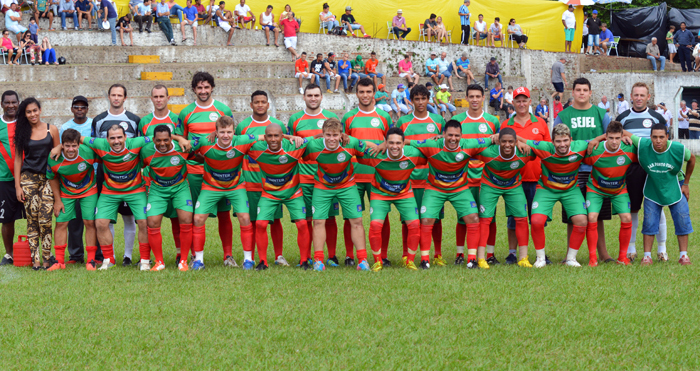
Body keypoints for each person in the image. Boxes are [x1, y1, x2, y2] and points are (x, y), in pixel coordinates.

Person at [175, 72, 238, 269]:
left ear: (212, 88)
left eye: (206, 87)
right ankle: (195, 255)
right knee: (195, 215)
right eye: (199, 88)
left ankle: (228, 255)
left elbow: (233, 138)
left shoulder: (223, 110)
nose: (203, 91)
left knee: (224, 214)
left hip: (221, 172)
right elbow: (181, 140)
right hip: (195, 171)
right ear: (194, 89)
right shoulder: (186, 113)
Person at [411, 120, 491, 268]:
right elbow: (407, 141)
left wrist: (500, 137)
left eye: (457, 135)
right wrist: (386, 143)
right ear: (443, 135)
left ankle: (472, 259)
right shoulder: (431, 145)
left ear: (461, 136)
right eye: (450, 135)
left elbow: (492, 139)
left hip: (460, 189)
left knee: (473, 217)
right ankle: (425, 260)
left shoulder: (469, 145)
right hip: (435, 189)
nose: (453, 138)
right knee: (427, 219)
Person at [553, 77, 613, 263]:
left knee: (598, 215)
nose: (581, 93)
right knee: (574, 214)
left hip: (597, 170)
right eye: (578, 90)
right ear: (573, 92)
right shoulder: (564, 115)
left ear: (590, 92)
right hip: (572, 170)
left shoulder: (600, 113)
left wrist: (597, 140)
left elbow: (611, 136)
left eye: (585, 90)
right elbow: (555, 139)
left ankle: (603, 254)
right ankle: (571, 256)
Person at [305, 118, 375, 271]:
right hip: (323, 186)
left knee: (356, 221)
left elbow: (368, 145)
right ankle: (318, 261)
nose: (331, 139)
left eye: (335, 135)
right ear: (322, 134)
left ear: (341, 135)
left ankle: (363, 260)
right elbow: (296, 145)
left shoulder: (350, 143)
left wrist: (382, 145)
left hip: (347, 185)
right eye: (328, 135)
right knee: (318, 222)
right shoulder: (313, 146)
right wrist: (313, 137)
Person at [190, 116, 259, 270]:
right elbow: (186, 146)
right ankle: (198, 260)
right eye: (222, 132)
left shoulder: (242, 141)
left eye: (229, 132)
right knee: (198, 218)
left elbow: (265, 135)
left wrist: (290, 137)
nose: (226, 135)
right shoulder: (204, 142)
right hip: (210, 186)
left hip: (235, 186)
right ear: (216, 132)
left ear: (234, 132)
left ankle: (248, 260)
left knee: (245, 217)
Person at [357, 127, 425, 271]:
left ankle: (409, 261)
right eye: (391, 143)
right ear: (386, 143)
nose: (395, 146)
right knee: (375, 225)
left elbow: (428, 149)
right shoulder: (376, 154)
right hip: (380, 194)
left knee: (414, 224)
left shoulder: (413, 154)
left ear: (403, 143)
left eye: (398, 143)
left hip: (404, 193)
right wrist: (374, 145)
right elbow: (357, 147)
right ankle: (378, 261)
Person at [287, 85, 341, 267]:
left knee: (330, 218)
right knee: (307, 220)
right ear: (304, 97)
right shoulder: (295, 119)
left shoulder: (330, 118)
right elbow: (291, 144)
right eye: (309, 95)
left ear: (321, 97)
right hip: (303, 177)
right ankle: (307, 256)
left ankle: (332, 256)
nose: (313, 98)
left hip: (327, 178)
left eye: (316, 95)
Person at [341, 78, 393, 266]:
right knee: (350, 216)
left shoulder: (383, 117)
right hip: (352, 175)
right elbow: (343, 143)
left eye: (368, 92)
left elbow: (391, 142)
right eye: (361, 92)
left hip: (377, 175)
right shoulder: (349, 118)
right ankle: (349, 255)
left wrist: (382, 145)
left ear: (374, 94)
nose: (365, 95)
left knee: (381, 216)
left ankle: (383, 255)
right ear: (357, 94)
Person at [234, 91, 288, 268]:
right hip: (250, 181)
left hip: (273, 182)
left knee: (275, 220)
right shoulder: (243, 126)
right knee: (253, 221)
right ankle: (251, 257)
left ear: (268, 104)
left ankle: (279, 255)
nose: (259, 105)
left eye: (263, 102)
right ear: (251, 105)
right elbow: (237, 148)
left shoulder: (278, 125)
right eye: (256, 102)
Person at [523, 124, 589, 267]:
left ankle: (571, 258)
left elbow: (597, 143)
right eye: (558, 141)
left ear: (571, 140)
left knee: (582, 221)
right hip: (547, 189)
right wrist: (499, 136)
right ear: (552, 142)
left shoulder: (581, 146)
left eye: (565, 140)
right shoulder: (544, 148)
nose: (562, 144)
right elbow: (521, 139)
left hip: (571, 189)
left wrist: (601, 139)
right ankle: (540, 258)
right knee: (536, 221)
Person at [395, 84, 445, 265]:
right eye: (417, 99)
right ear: (412, 100)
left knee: (435, 219)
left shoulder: (438, 121)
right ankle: (405, 255)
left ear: (429, 99)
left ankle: (437, 254)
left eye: (424, 98)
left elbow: (443, 145)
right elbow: (397, 145)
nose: (421, 102)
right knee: (408, 220)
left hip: (433, 179)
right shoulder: (403, 122)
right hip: (409, 178)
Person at [91, 84, 140, 266]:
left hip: (129, 175)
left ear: (125, 98)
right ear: (109, 97)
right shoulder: (98, 120)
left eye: (120, 95)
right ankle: (107, 257)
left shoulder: (134, 120)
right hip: (105, 174)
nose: (116, 98)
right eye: (113, 95)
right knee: (106, 217)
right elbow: (96, 147)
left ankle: (127, 256)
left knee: (129, 217)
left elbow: (138, 147)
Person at [501, 86, 551, 264]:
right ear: (512, 103)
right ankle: (513, 253)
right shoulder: (506, 125)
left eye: (524, 100)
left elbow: (548, 150)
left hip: (537, 178)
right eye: (518, 100)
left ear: (530, 102)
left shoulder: (540, 123)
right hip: (513, 179)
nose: (521, 104)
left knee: (538, 218)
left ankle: (540, 253)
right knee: (514, 218)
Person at [451, 84, 500, 264]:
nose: (474, 100)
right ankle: (460, 253)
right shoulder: (458, 121)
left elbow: (496, 150)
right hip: (463, 178)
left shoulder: (492, 121)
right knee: (464, 218)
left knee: (489, 217)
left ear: (483, 98)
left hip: (487, 178)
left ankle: (489, 254)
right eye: (471, 96)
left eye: (477, 96)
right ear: (466, 98)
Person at [633, 124, 695, 265]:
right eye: (655, 137)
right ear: (650, 137)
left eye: (662, 137)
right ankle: (647, 256)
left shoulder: (678, 149)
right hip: (653, 186)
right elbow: (622, 131)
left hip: (675, 185)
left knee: (682, 218)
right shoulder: (643, 144)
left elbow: (692, 159)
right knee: (649, 220)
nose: (658, 140)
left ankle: (683, 255)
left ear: (668, 137)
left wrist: (686, 183)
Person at [474, 128, 533, 268]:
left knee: (522, 218)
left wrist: (524, 143)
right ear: (498, 142)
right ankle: (481, 258)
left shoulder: (524, 153)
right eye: (504, 141)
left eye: (511, 142)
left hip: (513, 185)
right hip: (490, 185)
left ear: (516, 142)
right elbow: (469, 146)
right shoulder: (488, 153)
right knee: (485, 219)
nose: (507, 145)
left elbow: (542, 148)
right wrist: (489, 139)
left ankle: (523, 258)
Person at [14, 98, 60, 270]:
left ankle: (47, 258)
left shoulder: (52, 129)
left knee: (46, 220)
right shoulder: (22, 132)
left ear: (40, 110)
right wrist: (18, 186)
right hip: (29, 179)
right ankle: (36, 260)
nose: (32, 114)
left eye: (34, 110)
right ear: (24, 114)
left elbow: (57, 156)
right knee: (32, 219)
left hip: (48, 178)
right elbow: (18, 159)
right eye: (28, 112)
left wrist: (60, 147)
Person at [583, 122, 637, 266]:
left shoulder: (630, 149)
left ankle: (622, 257)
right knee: (592, 217)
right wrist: (595, 140)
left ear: (622, 137)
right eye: (611, 138)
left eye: (617, 138)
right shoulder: (595, 149)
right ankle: (593, 258)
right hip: (595, 189)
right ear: (605, 137)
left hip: (619, 190)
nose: (614, 142)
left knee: (626, 217)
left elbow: (646, 149)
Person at [47, 129, 98, 271]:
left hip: (88, 190)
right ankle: (59, 261)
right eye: (67, 145)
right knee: (61, 222)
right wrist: (57, 200)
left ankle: (91, 260)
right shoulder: (53, 157)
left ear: (78, 145)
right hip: (66, 192)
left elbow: (106, 158)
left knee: (89, 222)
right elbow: (52, 178)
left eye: (74, 146)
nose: (71, 149)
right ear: (62, 145)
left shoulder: (88, 153)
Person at [58, 96, 94, 264]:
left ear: (87, 109)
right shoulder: (65, 127)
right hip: (70, 179)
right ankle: (75, 255)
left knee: (91, 219)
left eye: (83, 107)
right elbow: (61, 147)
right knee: (73, 220)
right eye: (76, 107)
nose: (80, 109)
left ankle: (96, 256)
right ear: (71, 109)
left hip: (92, 175)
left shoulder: (93, 124)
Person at [0, 91, 24, 266]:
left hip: (28, 178)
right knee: (7, 219)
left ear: (18, 103)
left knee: (35, 217)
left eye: (14, 102)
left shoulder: (25, 122)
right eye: (7, 102)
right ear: (2, 104)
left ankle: (36, 252)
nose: (11, 105)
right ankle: (9, 254)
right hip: (4, 180)